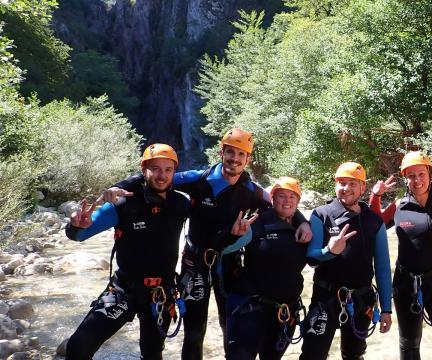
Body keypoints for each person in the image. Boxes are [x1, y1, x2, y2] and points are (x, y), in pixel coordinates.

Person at [101, 129, 312, 359]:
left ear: (247, 159)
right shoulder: (198, 180)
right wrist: (119, 186)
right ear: (222, 152)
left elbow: (280, 203)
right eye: (230, 152)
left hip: (228, 263)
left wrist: (302, 221)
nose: (235, 158)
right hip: (195, 263)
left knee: (229, 323)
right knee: (195, 328)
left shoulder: (250, 191)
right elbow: (159, 178)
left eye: (241, 154)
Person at [64, 144, 190, 360]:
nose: (162, 175)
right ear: (144, 170)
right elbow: (79, 236)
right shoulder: (122, 204)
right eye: (156, 169)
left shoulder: (181, 203)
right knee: (78, 346)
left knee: (152, 355)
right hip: (124, 291)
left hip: (161, 294)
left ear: (174, 172)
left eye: (168, 170)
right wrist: (75, 226)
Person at [369, 151, 432, 360]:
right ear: (405, 179)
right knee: (409, 344)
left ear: (430, 174)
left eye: (421, 174)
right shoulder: (399, 206)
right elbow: (374, 224)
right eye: (411, 175)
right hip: (406, 284)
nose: (417, 180)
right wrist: (376, 196)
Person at [300, 162, 393, 360]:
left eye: (353, 183)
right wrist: (330, 251)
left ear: (363, 187)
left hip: (360, 300)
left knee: (354, 354)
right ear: (335, 185)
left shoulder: (374, 222)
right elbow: (312, 258)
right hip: (325, 298)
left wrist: (386, 309)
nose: (346, 188)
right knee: (312, 353)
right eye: (342, 183)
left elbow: (383, 268)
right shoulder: (321, 215)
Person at [216, 177, 310, 360]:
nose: (287, 201)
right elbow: (223, 249)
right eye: (281, 196)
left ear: (298, 201)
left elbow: (317, 258)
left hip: (285, 311)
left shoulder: (305, 229)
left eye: (292, 197)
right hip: (252, 308)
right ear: (272, 198)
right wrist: (232, 235)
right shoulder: (257, 224)